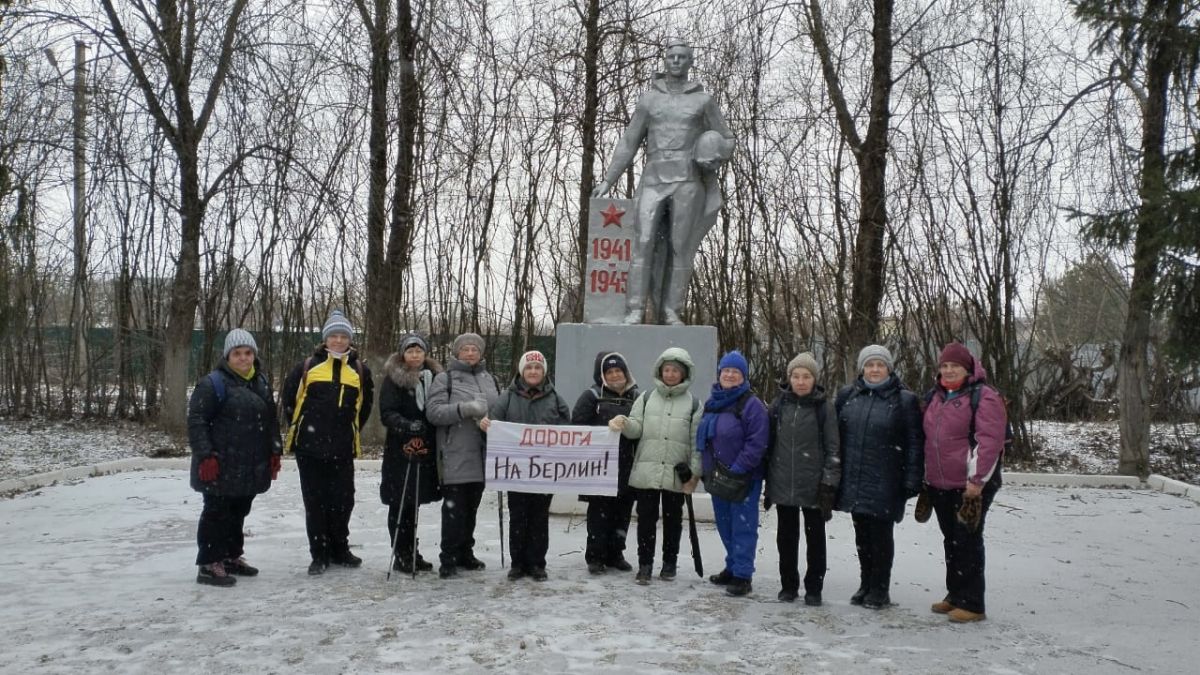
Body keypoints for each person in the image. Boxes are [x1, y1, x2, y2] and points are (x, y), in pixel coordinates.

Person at [591, 38, 735, 325]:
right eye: (672, 57)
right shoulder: (649, 100)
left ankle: (671, 310)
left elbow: (728, 138)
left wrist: (713, 152)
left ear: (690, 61)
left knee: (680, 246)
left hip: (688, 180)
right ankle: (635, 309)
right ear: (665, 60)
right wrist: (609, 179)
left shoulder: (703, 100)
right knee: (642, 242)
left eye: (683, 57)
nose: (677, 61)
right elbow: (629, 142)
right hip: (654, 178)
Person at [281, 309, 374, 576]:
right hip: (309, 449)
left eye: (343, 335)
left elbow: (364, 407)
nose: (338, 340)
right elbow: (289, 403)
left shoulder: (359, 370)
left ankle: (339, 549)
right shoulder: (307, 367)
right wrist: (306, 432)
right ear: (325, 339)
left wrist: (346, 431)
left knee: (343, 500)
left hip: (343, 448)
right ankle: (319, 554)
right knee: (316, 502)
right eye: (333, 335)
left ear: (350, 339)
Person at [188, 329, 282, 586]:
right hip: (220, 462)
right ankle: (208, 563)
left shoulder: (260, 381)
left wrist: (275, 450)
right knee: (216, 511)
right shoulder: (212, 384)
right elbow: (196, 421)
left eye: (248, 353)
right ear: (227, 356)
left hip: (250, 463)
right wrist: (205, 455)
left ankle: (230, 556)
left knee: (238, 510)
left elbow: (271, 420)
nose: (243, 358)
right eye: (237, 353)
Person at [922, 342, 1006, 623]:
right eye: (944, 366)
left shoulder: (984, 397)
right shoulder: (936, 396)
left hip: (970, 485)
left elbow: (989, 441)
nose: (948, 371)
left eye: (954, 366)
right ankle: (955, 594)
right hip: (940, 483)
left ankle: (972, 603)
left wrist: (976, 480)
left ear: (967, 368)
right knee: (951, 540)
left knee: (967, 539)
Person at [835, 345, 923, 609]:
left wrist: (912, 479)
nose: (874, 370)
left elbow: (914, 443)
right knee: (861, 534)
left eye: (880, 365)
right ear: (862, 368)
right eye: (870, 365)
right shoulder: (848, 395)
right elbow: (836, 436)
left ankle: (880, 589)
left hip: (887, 480)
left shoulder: (904, 400)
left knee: (881, 536)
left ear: (889, 368)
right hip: (854, 477)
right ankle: (866, 584)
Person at [608, 347, 701, 585]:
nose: (670, 374)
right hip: (647, 471)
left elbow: (695, 441)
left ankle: (669, 563)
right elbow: (636, 428)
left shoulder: (694, 404)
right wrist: (625, 423)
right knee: (646, 520)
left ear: (684, 374)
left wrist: (694, 474)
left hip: (675, 472)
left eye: (675, 371)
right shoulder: (646, 397)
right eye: (667, 369)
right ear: (660, 371)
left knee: (673, 521)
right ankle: (645, 565)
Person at [480, 350, 571, 581]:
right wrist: (486, 427)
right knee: (519, 516)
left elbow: (567, 430)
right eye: (529, 367)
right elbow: (494, 427)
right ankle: (518, 563)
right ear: (522, 371)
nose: (533, 371)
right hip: (516, 471)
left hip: (544, 471)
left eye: (537, 368)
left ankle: (537, 563)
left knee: (539, 517)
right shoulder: (508, 397)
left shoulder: (555, 398)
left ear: (544, 372)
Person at [763, 352, 840, 605]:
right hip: (783, 483)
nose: (800, 381)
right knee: (786, 538)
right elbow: (769, 445)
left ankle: (814, 588)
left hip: (813, 486)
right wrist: (768, 480)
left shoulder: (824, 408)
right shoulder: (779, 406)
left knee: (815, 538)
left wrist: (828, 482)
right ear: (789, 378)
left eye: (806, 376)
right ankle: (788, 586)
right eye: (796, 376)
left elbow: (833, 449)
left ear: (814, 379)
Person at [425, 332, 500, 579]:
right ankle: (448, 558)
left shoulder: (490, 379)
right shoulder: (444, 379)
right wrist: (464, 409)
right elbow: (434, 413)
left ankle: (466, 553)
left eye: (475, 350)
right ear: (456, 353)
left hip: (482, 454)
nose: (470, 353)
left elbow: (499, 410)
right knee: (453, 511)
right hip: (454, 454)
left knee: (471, 509)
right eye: (465, 349)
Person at [697, 350, 770, 597]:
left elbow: (757, 442)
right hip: (718, 476)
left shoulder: (752, 405)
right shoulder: (713, 402)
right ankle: (732, 566)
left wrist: (739, 468)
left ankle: (743, 575)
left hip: (743, 477)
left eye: (735, 372)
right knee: (725, 524)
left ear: (743, 376)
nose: (729, 375)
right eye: (726, 371)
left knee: (743, 527)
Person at [379, 333, 442, 574]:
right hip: (400, 449)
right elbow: (387, 412)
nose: (415, 355)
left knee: (414, 502)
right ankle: (401, 553)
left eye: (419, 351)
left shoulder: (435, 378)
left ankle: (412, 551)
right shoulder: (394, 379)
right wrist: (406, 425)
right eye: (410, 351)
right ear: (403, 354)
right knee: (400, 502)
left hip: (425, 447)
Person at [571, 351, 640, 574]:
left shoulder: (636, 397)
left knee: (623, 512)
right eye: (609, 372)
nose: (614, 375)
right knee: (599, 514)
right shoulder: (591, 396)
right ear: (602, 375)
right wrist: (602, 431)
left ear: (625, 372)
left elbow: (642, 427)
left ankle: (615, 553)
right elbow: (578, 427)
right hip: (599, 466)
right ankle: (595, 556)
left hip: (627, 465)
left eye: (618, 370)